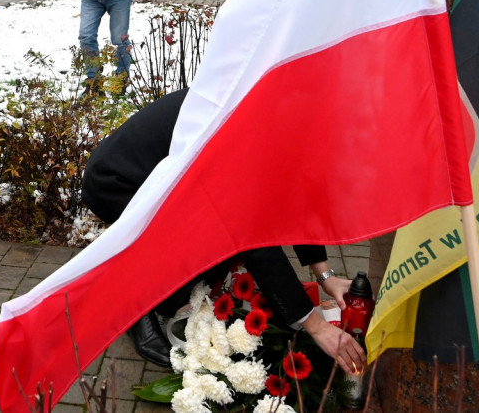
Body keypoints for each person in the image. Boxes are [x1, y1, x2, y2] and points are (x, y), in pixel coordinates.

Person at [82, 89, 367, 375]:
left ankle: (170, 294)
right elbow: (253, 240)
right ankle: (132, 306)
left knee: (214, 243)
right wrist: (316, 327)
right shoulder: (246, 130)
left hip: (165, 178)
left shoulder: (282, 111)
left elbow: (296, 193)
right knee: (213, 239)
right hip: (118, 181)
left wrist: (325, 276)